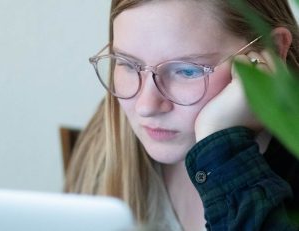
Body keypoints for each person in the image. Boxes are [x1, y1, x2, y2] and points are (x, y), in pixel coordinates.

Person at [65, 0, 299, 230]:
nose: (146, 106)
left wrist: (222, 154)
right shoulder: (105, 137)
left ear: (273, 49)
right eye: (128, 64)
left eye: (187, 70)